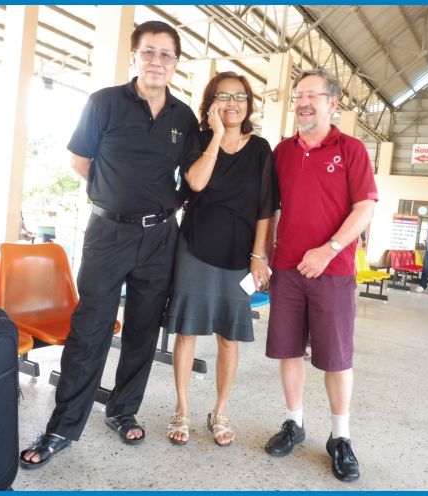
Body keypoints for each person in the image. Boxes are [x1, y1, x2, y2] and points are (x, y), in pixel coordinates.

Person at [20, 20, 200, 469]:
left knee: (143, 328)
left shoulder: (183, 117)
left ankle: (122, 410)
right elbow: (80, 160)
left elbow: (193, 175)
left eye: (166, 54)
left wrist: (166, 205)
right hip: (108, 233)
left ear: (176, 63)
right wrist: (113, 195)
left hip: (160, 235)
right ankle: (62, 426)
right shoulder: (104, 102)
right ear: (135, 56)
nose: (157, 61)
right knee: (91, 327)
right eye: (149, 51)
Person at [263, 69, 378, 482]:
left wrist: (329, 250)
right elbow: (271, 209)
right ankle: (294, 423)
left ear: (333, 103)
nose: (304, 102)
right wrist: (264, 256)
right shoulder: (282, 151)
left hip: (334, 272)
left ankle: (340, 437)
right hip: (287, 269)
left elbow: (365, 207)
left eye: (313, 95)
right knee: (289, 351)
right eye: (299, 95)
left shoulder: (351, 149)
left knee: (336, 357)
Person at [162, 72, 278, 447]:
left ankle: (220, 411)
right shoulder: (197, 140)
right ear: (211, 102)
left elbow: (265, 208)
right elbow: (196, 182)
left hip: (239, 255)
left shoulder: (260, 149)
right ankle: (182, 408)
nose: (232, 103)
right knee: (187, 332)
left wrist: (259, 255)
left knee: (229, 336)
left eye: (239, 96)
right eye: (223, 96)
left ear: (249, 104)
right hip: (194, 246)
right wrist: (215, 135)